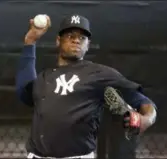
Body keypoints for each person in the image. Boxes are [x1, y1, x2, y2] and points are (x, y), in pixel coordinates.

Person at [15, 14, 157, 159]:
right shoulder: (45, 76)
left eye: (82, 38)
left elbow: (141, 100)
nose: (76, 40)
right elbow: (23, 92)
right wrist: (30, 41)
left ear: (88, 45)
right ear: (58, 41)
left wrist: (147, 119)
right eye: (70, 35)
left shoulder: (100, 73)